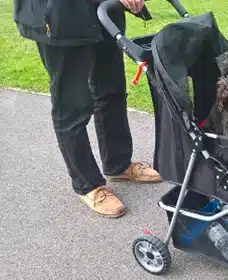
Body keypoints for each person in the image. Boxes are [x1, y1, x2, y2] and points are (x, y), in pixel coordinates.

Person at [13, 0, 159, 218]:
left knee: (112, 92)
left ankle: (118, 165)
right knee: (72, 107)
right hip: (61, 17)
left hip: (100, 13)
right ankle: (88, 185)